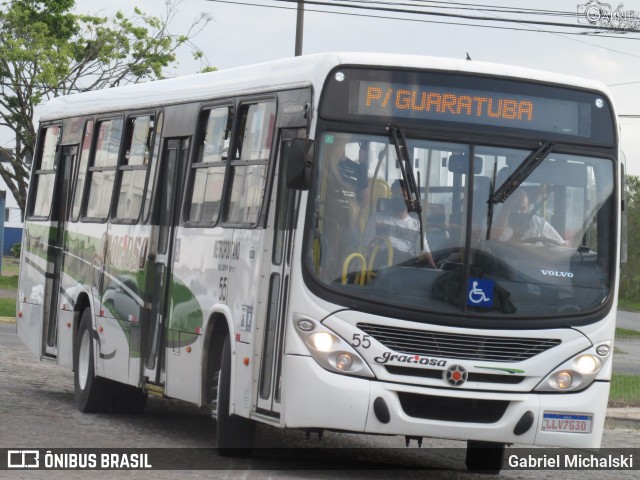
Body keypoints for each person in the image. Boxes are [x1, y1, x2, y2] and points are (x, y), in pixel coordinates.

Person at [363, 179, 437, 268]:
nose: (398, 198)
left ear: (410, 199)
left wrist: (434, 268)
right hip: (380, 266)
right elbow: (367, 245)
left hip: (405, 268)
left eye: (403, 195)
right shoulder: (377, 219)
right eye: (395, 195)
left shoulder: (416, 226)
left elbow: (424, 250)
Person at [493, 189, 565, 245]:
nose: (518, 212)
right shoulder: (494, 222)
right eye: (514, 208)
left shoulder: (537, 223)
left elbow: (561, 245)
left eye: (522, 208)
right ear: (506, 207)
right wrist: (506, 210)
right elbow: (492, 240)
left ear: (528, 208)